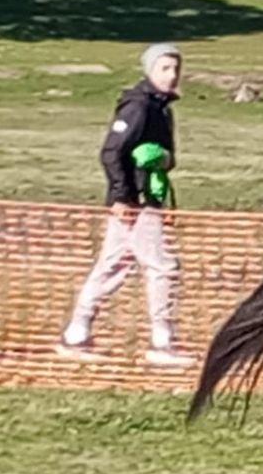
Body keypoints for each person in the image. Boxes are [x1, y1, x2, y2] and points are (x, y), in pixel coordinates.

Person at [58, 42, 191, 367]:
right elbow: (111, 152)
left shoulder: (161, 109)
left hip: (147, 199)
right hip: (136, 204)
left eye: (176, 68)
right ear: (149, 70)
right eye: (164, 68)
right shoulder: (138, 107)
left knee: (111, 267)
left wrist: (163, 160)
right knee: (162, 267)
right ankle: (163, 343)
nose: (172, 75)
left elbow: (165, 156)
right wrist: (120, 196)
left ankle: (75, 335)